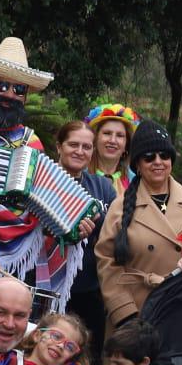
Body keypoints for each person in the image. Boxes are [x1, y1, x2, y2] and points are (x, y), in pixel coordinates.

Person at [0, 37, 78, 305]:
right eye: (2, 85)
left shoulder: (32, 142)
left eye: (19, 89)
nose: (10, 94)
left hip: (11, 258)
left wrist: (73, 226)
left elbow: (43, 203)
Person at [95, 121, 182, 330]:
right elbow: (106, 261)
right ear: (137, 164)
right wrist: (125, 313)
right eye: (149, 157)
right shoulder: (119, 207)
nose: (158, 162)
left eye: (164, 155)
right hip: (136, 313)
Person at [52, 118, 118, 348]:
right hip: (45, 284)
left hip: (89, 289)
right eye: (73, 145)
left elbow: (115, 233)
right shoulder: (41, 180)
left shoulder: (103, 187)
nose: (80, 151)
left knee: (86, 356)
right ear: (59, 146)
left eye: (87, 147)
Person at [84, 103, 137, 191]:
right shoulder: (79, 175)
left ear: (126, 145)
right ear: (95, 139)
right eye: (107, 133)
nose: (112, 140)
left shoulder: (135, 182)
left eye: (120, 135)